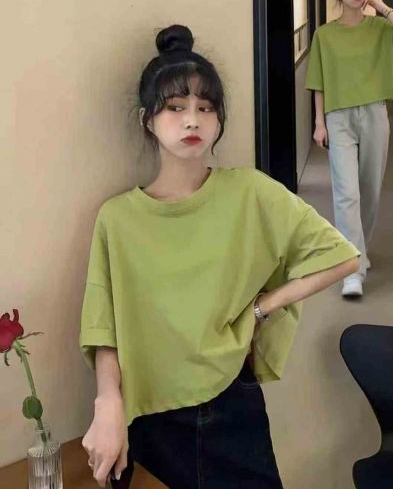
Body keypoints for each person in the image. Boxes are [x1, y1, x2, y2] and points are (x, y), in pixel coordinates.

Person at [80, 24, 360, 489]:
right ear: (147, 119)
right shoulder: (118, 218)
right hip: (148, 414)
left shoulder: (249, 191)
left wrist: (261, 308)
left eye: (205, 108)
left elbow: (341, 257)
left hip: (229, 399)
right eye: (175, 107)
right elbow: (102, 324)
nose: (192, 121)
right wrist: (106, 403)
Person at [305, 0, 393, 299]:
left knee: (369, 190)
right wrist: (319, 122)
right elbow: (318, 80)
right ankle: (352, 269)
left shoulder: (381, 28)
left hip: (374, 114)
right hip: (338, 117)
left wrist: (383, 8)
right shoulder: (325, 35)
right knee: (346, 193)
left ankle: (359, 250)